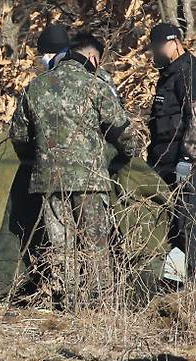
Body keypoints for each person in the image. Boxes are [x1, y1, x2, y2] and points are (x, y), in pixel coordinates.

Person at [10, 33, 137, 307]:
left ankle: (70, 306)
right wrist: (123, 159)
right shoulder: (95, 85)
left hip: (49, 181)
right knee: (96, 246)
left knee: (62, 249)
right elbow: (122, 133)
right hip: (90, 180)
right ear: (92, 58)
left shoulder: (35, 86)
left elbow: (18, 136)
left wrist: (37, 160)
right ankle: (100, 307)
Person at [147, 22, 196, 274]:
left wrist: (187, 157)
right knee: (170, 228)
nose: (154, 52)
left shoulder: (188, 73)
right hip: (162, 165)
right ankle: (174, 282)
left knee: (186, 225)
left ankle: (188, 286)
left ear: (174, 43)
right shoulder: (168, 75)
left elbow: (194, 117)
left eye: (157, 47)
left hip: (183, 166)